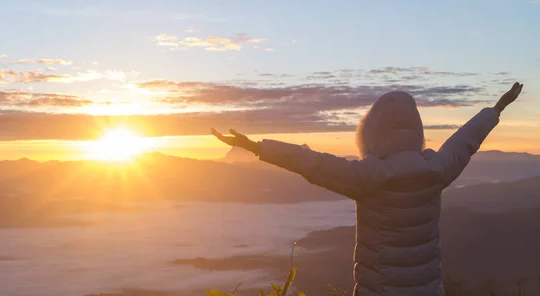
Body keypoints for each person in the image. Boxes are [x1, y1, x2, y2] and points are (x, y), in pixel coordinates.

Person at [211, 82, 524, 296]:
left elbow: (310, 162)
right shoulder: (436, 169)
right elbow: (465, 140)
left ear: (373, 130)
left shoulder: (366, 176)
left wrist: (255, 146)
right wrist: (496, 108)